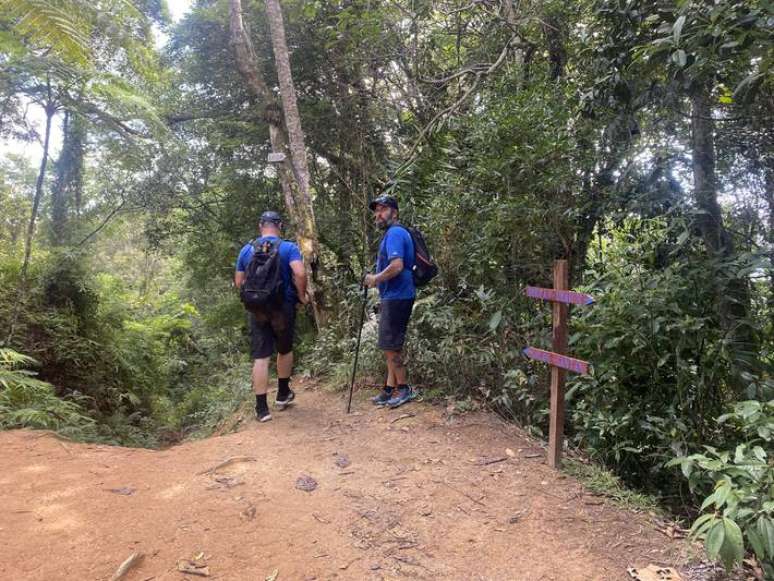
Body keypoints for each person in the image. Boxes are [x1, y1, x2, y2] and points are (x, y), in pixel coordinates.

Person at [235, 211, 308, 422]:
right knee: (284, 350)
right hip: (282, 307)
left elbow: (239, 282)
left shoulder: (247, 250)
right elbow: (300, 273)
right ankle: (283, 394)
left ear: (261, 226)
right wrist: (301, 296)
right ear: (280, 226)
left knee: (261, 357)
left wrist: (255, 297)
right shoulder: (288, 247)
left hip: (257, 309)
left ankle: (261, 409)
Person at [364, 194, 416, 408]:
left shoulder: (395, 233)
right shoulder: (392, 234)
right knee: (390, 346)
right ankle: (388, 389)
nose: (378, 214)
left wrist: (375, 279)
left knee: (391, 346)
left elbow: (397, 265)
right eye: (376, 211)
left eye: (383, 210)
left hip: (398, 296)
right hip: (394, 296)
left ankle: (404, 389)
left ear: (394, 213)